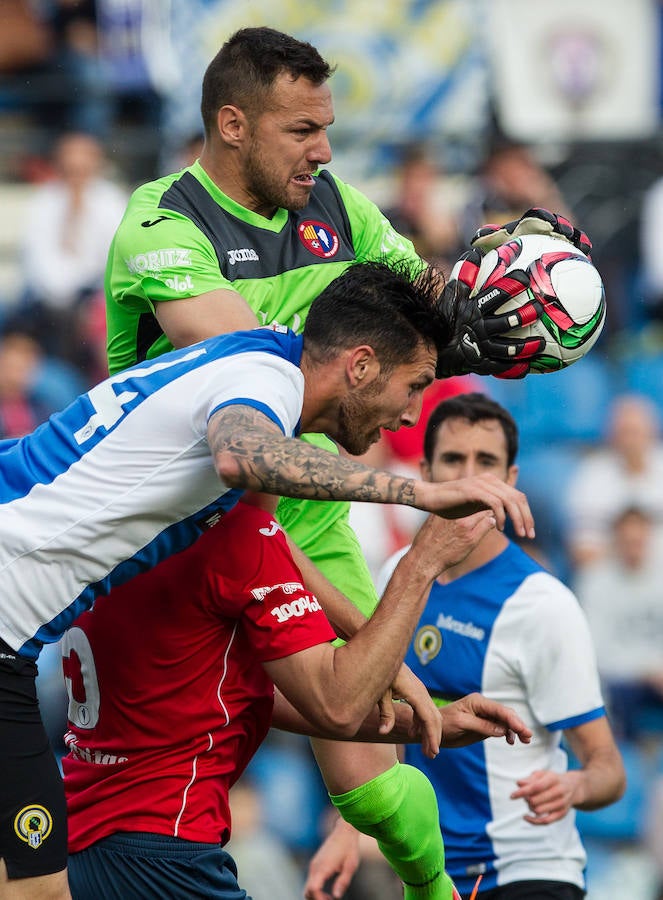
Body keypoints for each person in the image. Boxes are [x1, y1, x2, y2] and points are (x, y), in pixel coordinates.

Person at [102, 24, 591, 899]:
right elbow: (248, 371)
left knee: (372, 787)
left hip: (311, 517)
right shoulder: (160, 225)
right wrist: (378, 349)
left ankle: (434, 892)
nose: (323, 150)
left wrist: (483, 312)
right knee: (327, 714)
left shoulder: (337, 206)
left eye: (327, 129)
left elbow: (415, 301)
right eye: (301, 131)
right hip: (183, 524)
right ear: (232, 124)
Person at [0, 259, 536, 899]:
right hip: (150, 832)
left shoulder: (242, 373)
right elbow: (242, 457)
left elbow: (275, 553)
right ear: (360, 366)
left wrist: (405, 683)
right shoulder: (264, 385)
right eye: (414, 385)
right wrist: (419, 502)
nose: (411, 413)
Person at [61, 493, 531, 900]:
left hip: (79, 839)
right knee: (369, 789)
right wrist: (421, 563)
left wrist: (426, 722)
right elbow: (336, 703)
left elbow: (241, 699)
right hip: (165, 853)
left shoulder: (111, 521)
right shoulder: (237, 533)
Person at [305, 393, 625, 900]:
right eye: (454, 460)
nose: (470, 478)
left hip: (528, 870)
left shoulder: (542, 603)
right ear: (426, 471)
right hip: (430, 870)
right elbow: (384, 718)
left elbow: (608, 769)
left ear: (511, 480)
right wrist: (350, 832)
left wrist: (574, 787)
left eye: (487, 463)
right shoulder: (397, 576)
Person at [17, 131, 127, 364]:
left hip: (94, 297)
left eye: (82, 168)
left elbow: (115, 261)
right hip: (46, 303)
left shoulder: (111, 201)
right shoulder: (44, 201)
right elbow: (37, 263)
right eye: (70, 168)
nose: (76, 175)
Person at [575, 505, 663, 742]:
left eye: (639, 541)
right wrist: (646, 671)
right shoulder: (595, 581)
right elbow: (595, 651)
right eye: (628, 541)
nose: (634, 548)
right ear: (615, 540)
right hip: (622, 683)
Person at [564, 393, 663, 571]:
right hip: (612, 574)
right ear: (610, 435)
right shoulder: (591, 474)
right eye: (624, 432)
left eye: (636, 431)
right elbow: (582, 549)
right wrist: (627, 551)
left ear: (653, 431)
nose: (631, 441)